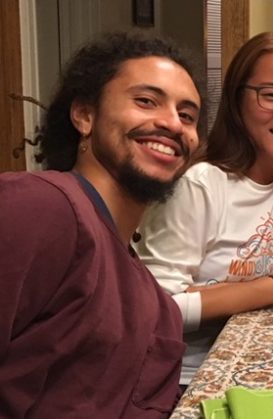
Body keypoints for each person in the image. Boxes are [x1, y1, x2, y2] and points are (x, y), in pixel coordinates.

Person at [137, 32, 273, 385]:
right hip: (187, 377)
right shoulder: (200, 184)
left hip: (266, 361)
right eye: (271, 95)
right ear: (237, 98)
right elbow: (160, 310)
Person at [0, 32, 201, 417]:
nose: (173, 124)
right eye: (146, 101)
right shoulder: (41, 208)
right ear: (84, 115)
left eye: (187, 115)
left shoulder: (153, 298)